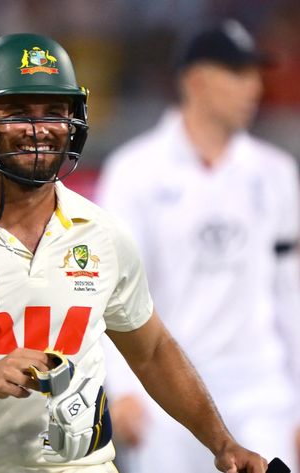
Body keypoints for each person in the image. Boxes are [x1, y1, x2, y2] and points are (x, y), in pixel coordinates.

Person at [0, 33, 270, 473]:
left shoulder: (104, 233)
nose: (39, 129)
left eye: (55, 112)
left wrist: (222, 443)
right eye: (18, 112)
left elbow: (151, 351)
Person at [97, 19, 300, 473]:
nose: (255, 87)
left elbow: (291, 293)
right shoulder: (134, 173)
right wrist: (123, 389)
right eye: (239, 73)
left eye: (255, 73)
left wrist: (299, 404)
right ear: (196, 80)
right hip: (169, 390)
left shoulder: (276, 174)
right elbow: (112, 294)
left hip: (260, 390)